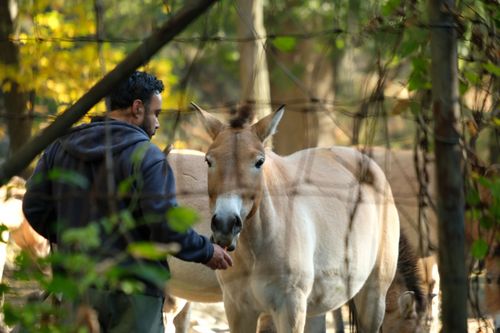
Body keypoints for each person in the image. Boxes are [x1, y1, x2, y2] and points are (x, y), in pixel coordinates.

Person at [22, 71, 232, 332]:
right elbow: (165, 225)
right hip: (136, 296)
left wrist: (70, 235)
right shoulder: (148, 158)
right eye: (156, 113)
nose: (157, 124)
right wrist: (207, 251)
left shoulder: (60, 147)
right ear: (137, 108)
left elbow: (34, 206)